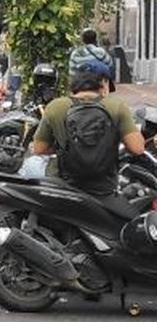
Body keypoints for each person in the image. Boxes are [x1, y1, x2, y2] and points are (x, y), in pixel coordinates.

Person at [30, 59, 146, 218]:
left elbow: (38, 149)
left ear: (72, 86)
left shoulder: (56, 106)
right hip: (102, 190)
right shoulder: (116, 106)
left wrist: (63, 145)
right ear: (101, 85)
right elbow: (137, 148)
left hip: (63, 188)